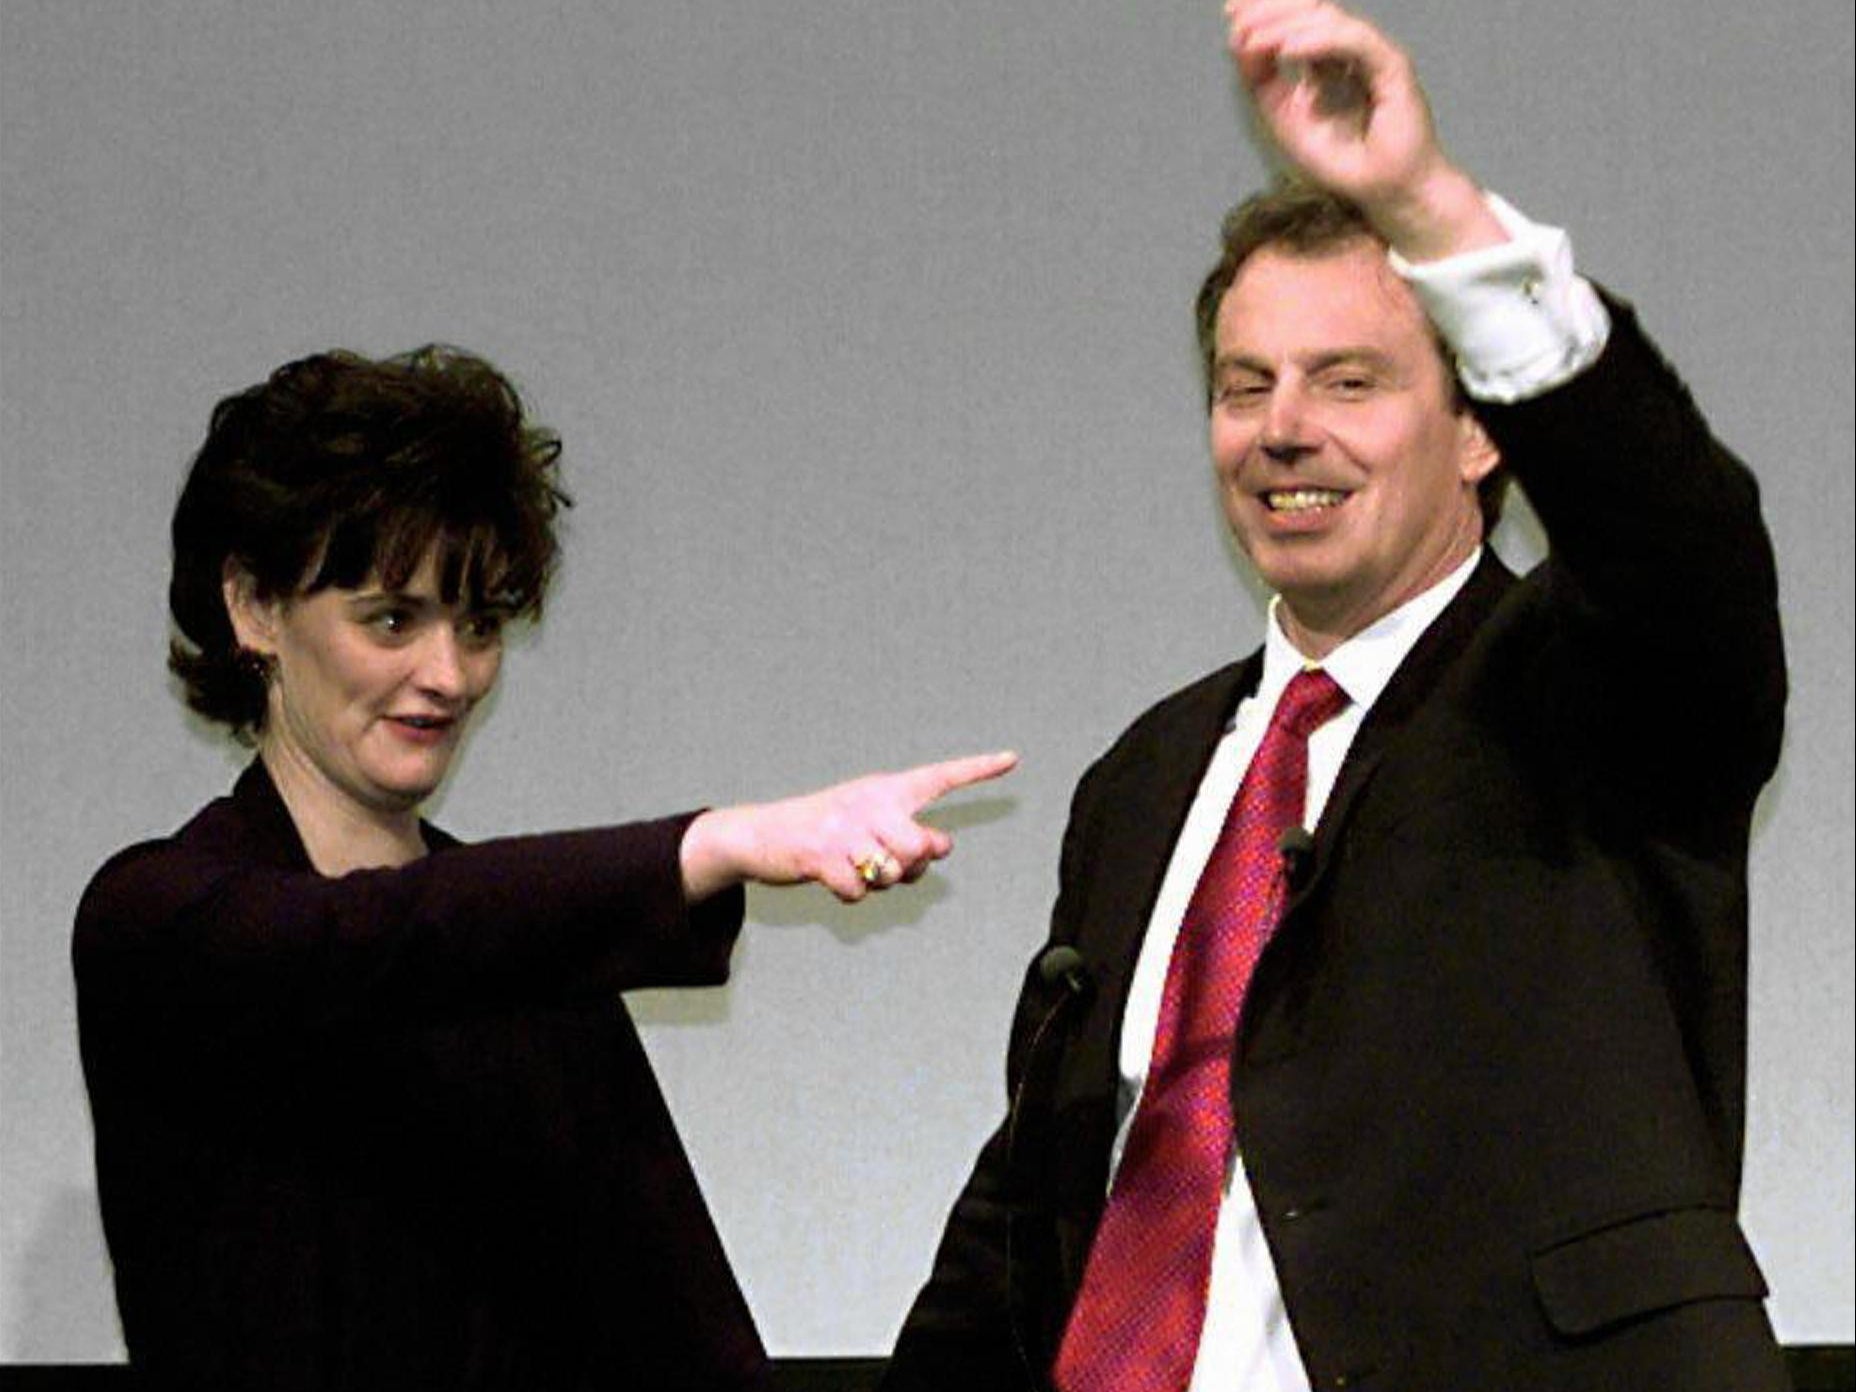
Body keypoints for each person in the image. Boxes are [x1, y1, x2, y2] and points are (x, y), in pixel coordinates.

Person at [881, 2, 1790, 1388]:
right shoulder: (1151, 776)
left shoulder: (1586, 689)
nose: (1281, 428)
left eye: (1348, 381)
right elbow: (1040, 1198)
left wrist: (1430, 207)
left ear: (1479, 425)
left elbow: (1674, 530)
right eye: (1245, 387)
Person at [72, 344, 1016, 1392]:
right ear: (253, 608)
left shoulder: (536, 958)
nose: (448, 674)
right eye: (392, 618)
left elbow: (682, 1325)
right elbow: (374, 945)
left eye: (477, 625)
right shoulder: (158, 917)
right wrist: (715, 844)